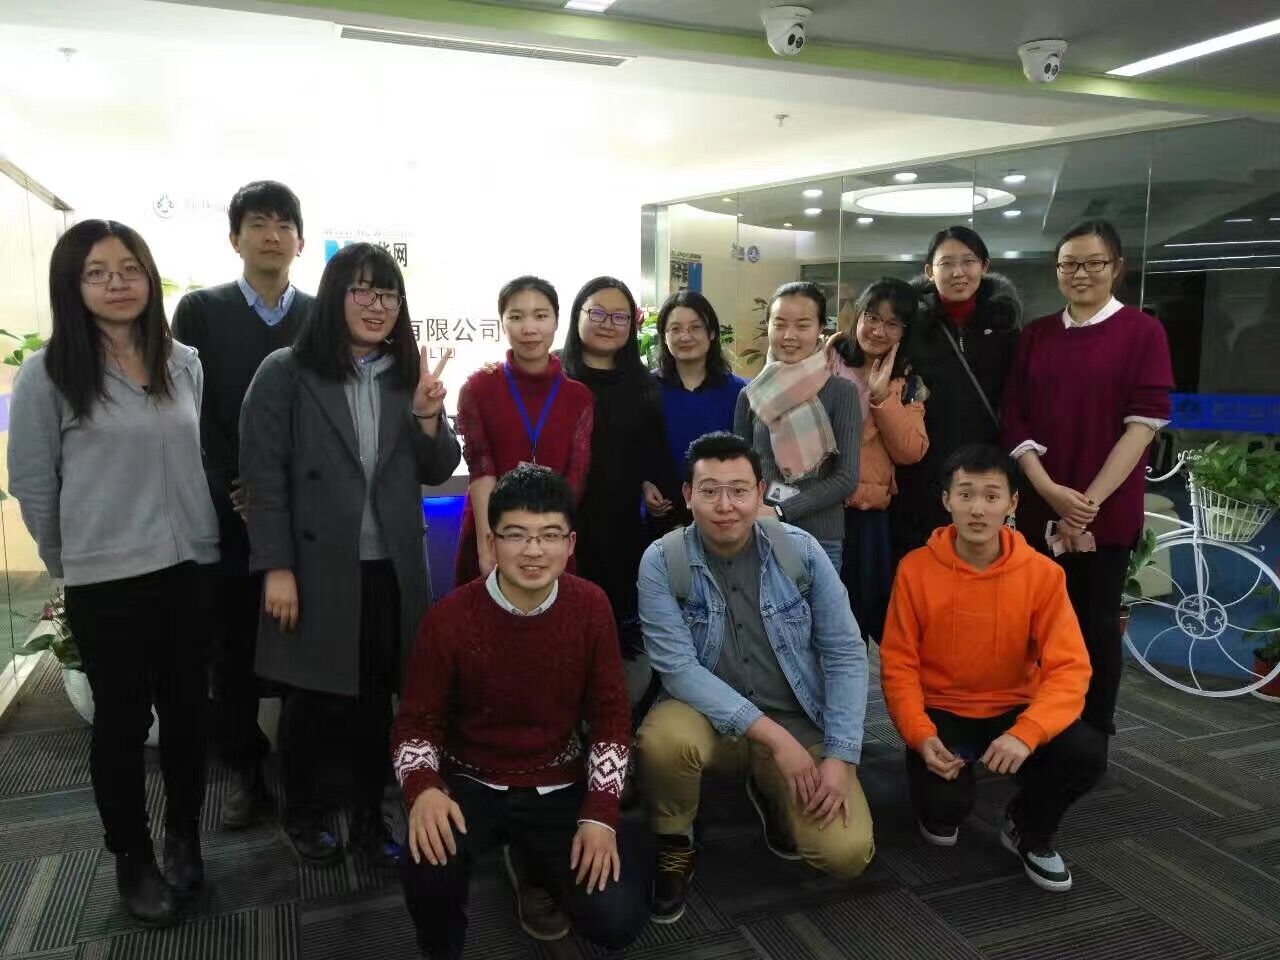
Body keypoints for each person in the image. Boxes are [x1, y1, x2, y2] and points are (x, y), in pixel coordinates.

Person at [8, 220, 219, 925]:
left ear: (149, 277)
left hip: (188, 567)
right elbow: (33, 483)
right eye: (96, 272)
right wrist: (70, 564)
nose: (117, 283)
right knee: (122, 725)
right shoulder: (48, 375)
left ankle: (184, 835)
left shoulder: (182, 361)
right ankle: (132, 855)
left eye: (129, 268)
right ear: (72, 285)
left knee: (188, 714)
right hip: (107, 582)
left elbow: (193, 457)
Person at [239, 242, 461, 866]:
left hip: (390, 567)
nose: (375, 304)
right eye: (361, 290)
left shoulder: (405, 374)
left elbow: (439, 466)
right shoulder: (286, 372)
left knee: (376, 700)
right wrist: (276, 567)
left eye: (387, 293)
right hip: (314, 567)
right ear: (335, 294)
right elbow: (262, 478)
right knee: (310, 700)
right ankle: (303, 812)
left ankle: (368, 817)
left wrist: (427, 416)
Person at [393, 465, 650, 959]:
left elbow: (611, 718)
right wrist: (423, 788)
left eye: (549, 535)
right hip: (471, 778)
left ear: (570, 544)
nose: (533, 551)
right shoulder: (449, 618)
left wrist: (600, 814)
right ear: (492, 542)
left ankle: (532, 863)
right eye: (516, 535)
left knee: (616, 917)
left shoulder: (590, 606)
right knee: (427, 862)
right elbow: (416, 722)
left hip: (557, 777)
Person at [637, 432, 874, 924]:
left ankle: (770, 789)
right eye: (709, 491)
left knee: (845, 853)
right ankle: (675, 840)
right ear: (688, 495)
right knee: (662, 741)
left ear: (760, 492)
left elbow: (846, 654)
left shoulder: (800, 551)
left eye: (739, 490)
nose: (725, 506)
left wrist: (841, 755)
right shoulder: (662, 560)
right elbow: (678, 668)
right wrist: (773, 737)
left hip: (796, 717)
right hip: (708, 720)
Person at [879, 444, 1106, 892]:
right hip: (943, 710)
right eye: (965, 494)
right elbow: (898, 663)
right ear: (946, 500)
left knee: (1086, 753)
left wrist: (1028, 731)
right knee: (943, 815)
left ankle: (1028, 827)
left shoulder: (1042, 574)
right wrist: (920, 734)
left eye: (991, 495)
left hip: (1013, 707)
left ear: (1012, 503)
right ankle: (938, 785)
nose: (978, 509)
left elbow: (1069, 669)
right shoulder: (915, 569)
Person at [171, 180, 314, 828]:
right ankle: (245, 771)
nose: (272, 235)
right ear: (235, 238)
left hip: (306, 510)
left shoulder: (320, 314)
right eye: (258, 223)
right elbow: (190, 409)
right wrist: (240, 482)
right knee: (230, 645)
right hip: (226, 507)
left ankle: (304, 769)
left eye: (284, 224)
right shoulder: (200, 311)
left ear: (300, 242)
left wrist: (285, 489)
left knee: (305, 639)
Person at [1002, 220, 1173, 735]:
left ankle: (1093, 731)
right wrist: (1048, 491)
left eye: (1093, 263)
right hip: (1041, 502)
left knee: (1095, 623)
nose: (1080, 273)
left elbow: (1142, 428)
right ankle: (1037, 723)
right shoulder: (1036, 335)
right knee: (1037, 622)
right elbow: (1015, 419)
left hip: (1107, 510)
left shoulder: (1143, 332)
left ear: (1116, 267)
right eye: (1068, 264)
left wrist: (1085, 505)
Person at [453, 275, 594, 584]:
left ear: (556, 321)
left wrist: (550, 542)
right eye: (516, 317)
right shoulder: (479, 388)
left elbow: (574, 479)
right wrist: (489, 544)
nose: (529, 328)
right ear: (502, 322)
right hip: (491, 530)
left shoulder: (579, 397)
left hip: (551, 538)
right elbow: (481, 469)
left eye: (540, 316)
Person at [891, 226, 1021, 561]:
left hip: (985, 471)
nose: (958, 272)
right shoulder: (911, 324)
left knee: (981, 562)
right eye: (946, 263)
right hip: (921, 473)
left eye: (968, 261)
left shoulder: (1005, 324)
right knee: (922, 562)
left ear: (984, 266)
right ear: (929, 271)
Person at [561, 275, 677, 649]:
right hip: (562, 521)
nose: (608, 324)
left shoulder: (643, 385)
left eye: (620, 316)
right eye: (597, 313)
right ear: (578, 315)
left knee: (613, 625)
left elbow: (650, 452)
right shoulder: (555, 376)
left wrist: (649, 484)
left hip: (621, 524)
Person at [826, 277, 928, 643]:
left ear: (905, 331)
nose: (878, 330)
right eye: (872, 317)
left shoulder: (908, 382)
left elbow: (911, 451)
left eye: (892, 323)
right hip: (819, 506)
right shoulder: (826, 360)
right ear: (858, 316)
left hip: (866, 513)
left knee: (858, 618)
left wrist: (882, 397)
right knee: (818, 615)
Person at [734, 281, 860, 572]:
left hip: (821, 539)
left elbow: (846, 478)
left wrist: (781, 510)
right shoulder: (750, 395)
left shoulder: (841, 392)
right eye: (779, 324)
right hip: (760, 533)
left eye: (802, 325)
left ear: (820, 329)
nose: (789, 335)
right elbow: (741, 470)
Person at [652, 289, 747, 526]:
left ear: (712, 332)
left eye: (695, 327)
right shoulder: (647, 389)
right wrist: (644, 486)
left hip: (722, 511)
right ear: (664, 336)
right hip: (661, 510)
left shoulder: (738, 392)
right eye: (675, 329)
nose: (685, 336)